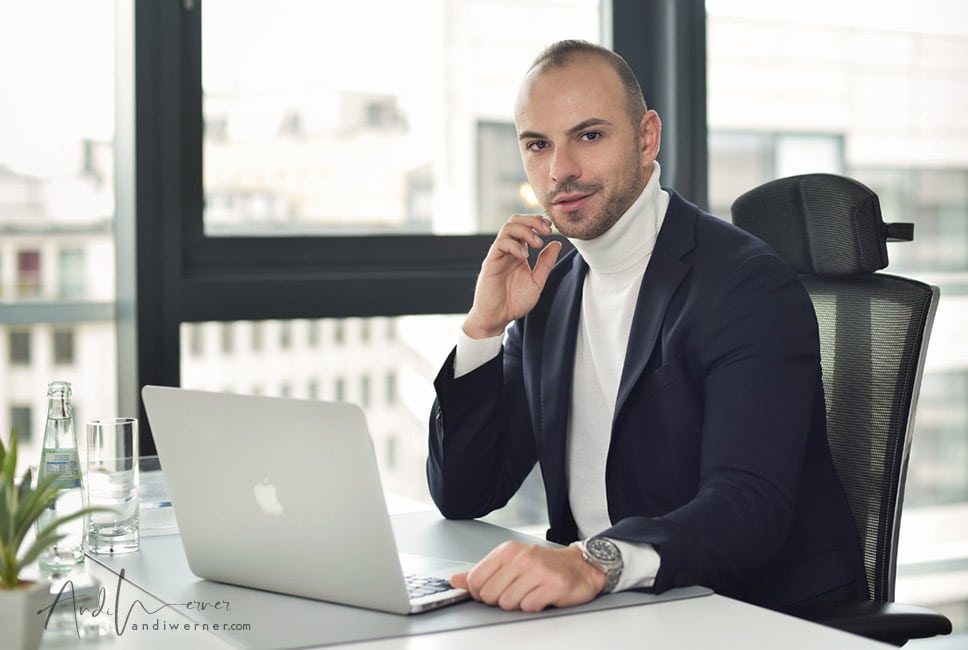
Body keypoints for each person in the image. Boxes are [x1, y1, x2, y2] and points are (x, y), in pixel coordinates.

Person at [427, 40, 868, 614]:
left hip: (744, 614)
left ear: (646, 138)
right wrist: (483, 328)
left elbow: (748, 508)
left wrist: (594, 563)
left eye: (589, 135)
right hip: (605, 613)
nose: (560, 170)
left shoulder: (746, 285)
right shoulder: (549, 293)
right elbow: (464, 493)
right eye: (538, 145)